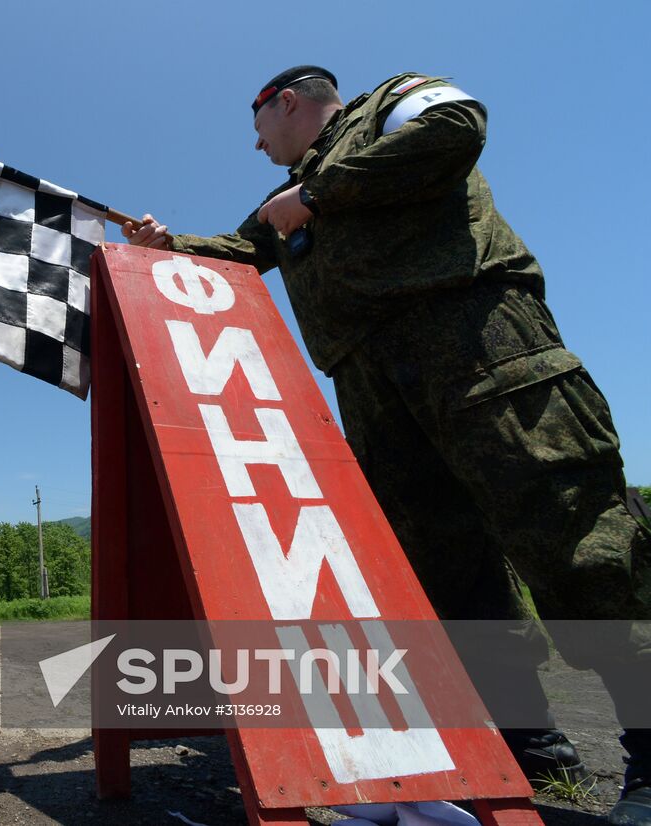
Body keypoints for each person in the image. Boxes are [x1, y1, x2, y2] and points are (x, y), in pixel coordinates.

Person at [124, 66, 649, 824]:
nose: (257, 145)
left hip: (476, 343)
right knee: (446, 572)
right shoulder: (289, 192)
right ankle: (526, 750)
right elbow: (241, 250)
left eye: (258, 128)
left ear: (287, 102)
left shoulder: (391, 103)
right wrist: (170, 243)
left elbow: (456, 130)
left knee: (575, 539)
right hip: (371, 384)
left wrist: (320, 196)